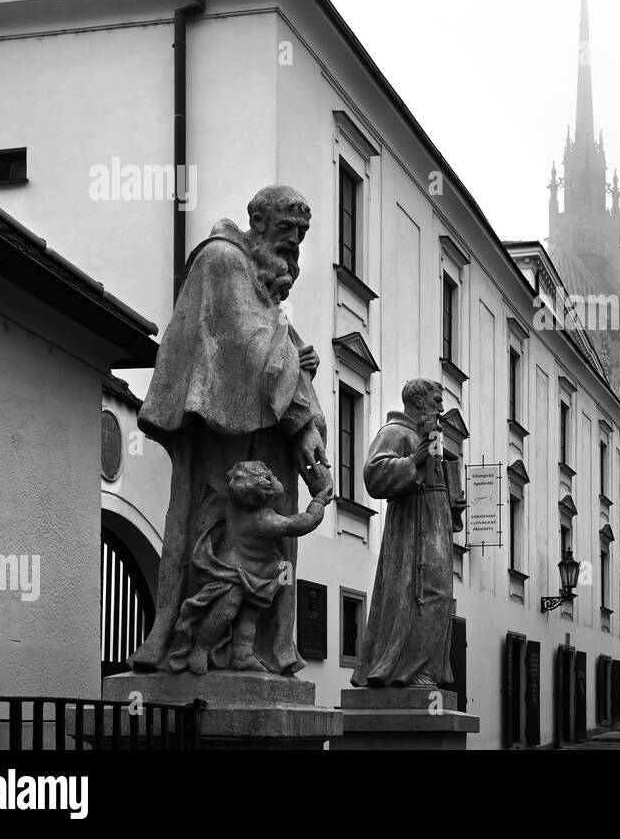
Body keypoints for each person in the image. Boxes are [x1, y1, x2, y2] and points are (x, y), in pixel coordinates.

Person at [131, 185, 329, 675]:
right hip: (227, 441)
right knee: (221, 545)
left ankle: (257, 649)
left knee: (266, 558)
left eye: (302, 235)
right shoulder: (222, 260)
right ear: (258, 223)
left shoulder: (259, 281)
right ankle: (197, 647)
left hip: (267, 437)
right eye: (287, 230)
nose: (294, 243)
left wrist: (299, 361)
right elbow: (248, 347)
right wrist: (299, 395)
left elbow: (270, 342)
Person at [169, 460, 333, 674]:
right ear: (266, 489)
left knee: (249, 615)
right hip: (232, 574)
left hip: (260, 574)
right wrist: (319, 501)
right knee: (226, 612)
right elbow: (305, 522)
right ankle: (200, 648)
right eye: (272, 477)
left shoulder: (234, 507)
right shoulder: (266, 519)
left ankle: (242, 654)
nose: (276, 479)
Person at [351, 379, 463, 689]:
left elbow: (434, 480)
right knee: (417, 592)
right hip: (411, 526)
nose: (441, 408)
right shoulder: (395, 433)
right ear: (416, 403)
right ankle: (407, 670)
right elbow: (374, 476)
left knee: (439, 594)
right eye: (436, 400)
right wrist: (415, 459)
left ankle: (424, 667)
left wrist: (453, 505)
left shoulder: (430, 439)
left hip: (435, 522)